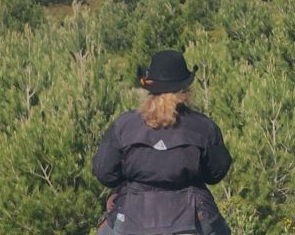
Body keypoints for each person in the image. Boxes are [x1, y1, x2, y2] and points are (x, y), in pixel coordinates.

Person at [94, 50, 233, 235]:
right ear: (185, 89)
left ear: (150, 89)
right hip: (192, 220)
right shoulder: (203, 127)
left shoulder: (124, 125)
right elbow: (215, 174)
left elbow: (105, 173)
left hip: (131, 218)